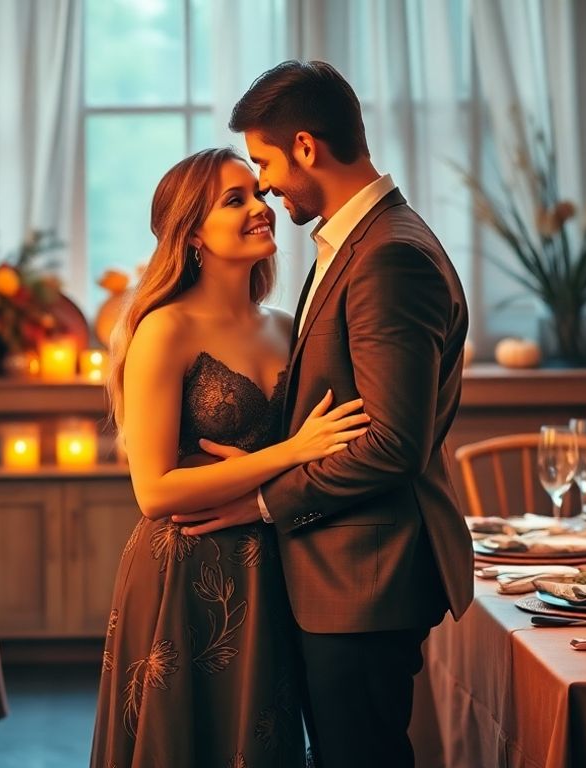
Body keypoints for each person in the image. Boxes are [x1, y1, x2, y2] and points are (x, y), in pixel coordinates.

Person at [172, 60, 475, 766]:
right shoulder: (358, 243)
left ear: (307, 147)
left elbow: (393, 444)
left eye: (266, 162)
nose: (267, 186)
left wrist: (265, 500)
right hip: (341, 576)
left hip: (363, 580)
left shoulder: (387, 258)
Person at [90, 146, 369, 768]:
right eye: (234, 200)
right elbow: (155, 491)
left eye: (258, 194)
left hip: (274, 563)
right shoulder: (164, 328)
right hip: (185, 570)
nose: (259, 209)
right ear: (190, 232)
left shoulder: (283, 325)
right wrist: (291, 452)